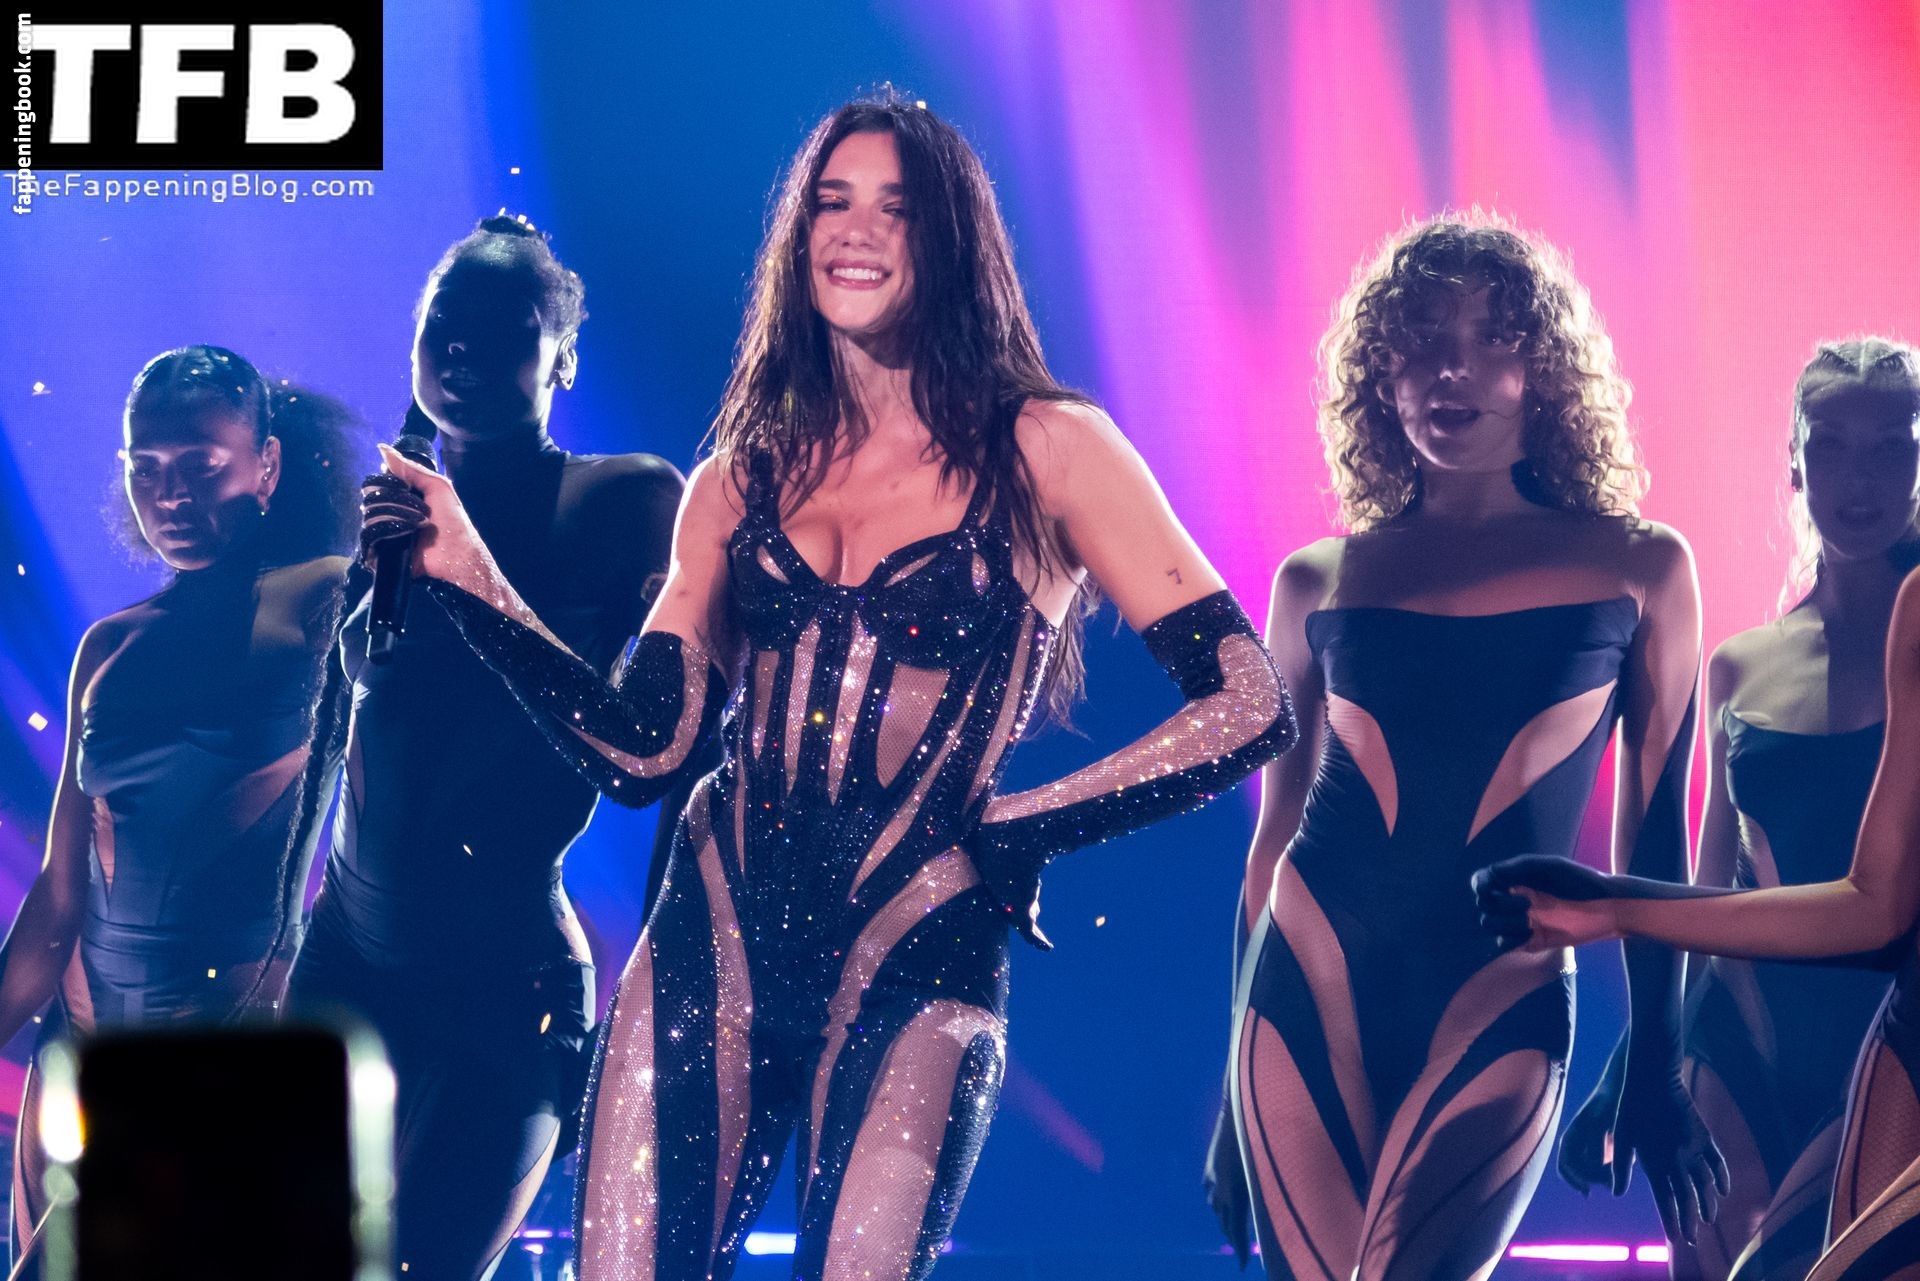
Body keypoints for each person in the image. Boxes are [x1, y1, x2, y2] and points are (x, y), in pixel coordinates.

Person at [368, 92, 1296, 1280]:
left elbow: (1249, 702)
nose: (855, 231)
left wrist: (1025, 825)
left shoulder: (1051, 448)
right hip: (709, 938)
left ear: (951, 240)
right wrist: (467, 574)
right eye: (831, 203)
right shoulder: (739, 475)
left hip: (920, 946)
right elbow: (646, 751)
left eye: (893, 209)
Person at [1207, 214, 1725, 1280]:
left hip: (1502, 984)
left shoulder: (1642, 567)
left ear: (1545, 372)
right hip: (1304, 984)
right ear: (1380, 374)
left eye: (1492, 337)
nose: (1452, 369)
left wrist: (1658, 1058)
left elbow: (1653, 852)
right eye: (1423, 338)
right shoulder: (1316, 580)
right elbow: (1270, 848)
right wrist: (1228, 1091)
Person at [287, 216, 684, 1281]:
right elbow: (346, 744)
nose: (460, 347)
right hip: (345, 961)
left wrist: (652, 1006)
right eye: (442, 325)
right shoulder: (389, 517)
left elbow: (657, 758)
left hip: (504, 988)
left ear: (562, 358)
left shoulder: (626, 500)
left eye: (503, 326)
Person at [1475, 343, 1920, 1281]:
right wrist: (1635, 1063)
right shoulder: (1738, 667)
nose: (1861, 478)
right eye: (1832, 445)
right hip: (1743, 1039)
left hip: (1884, 1028)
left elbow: (1880, 902)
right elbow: (1708, 896)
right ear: (1793, 462)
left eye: (1893, 446)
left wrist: (1606, 906)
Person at [0, 345, 358, 1266]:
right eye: (147, 468)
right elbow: (60, 893)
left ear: (267, 464)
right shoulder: (109, 646)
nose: (170, 495)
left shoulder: (327, 600)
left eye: (200, 465)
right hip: (78, 1056)